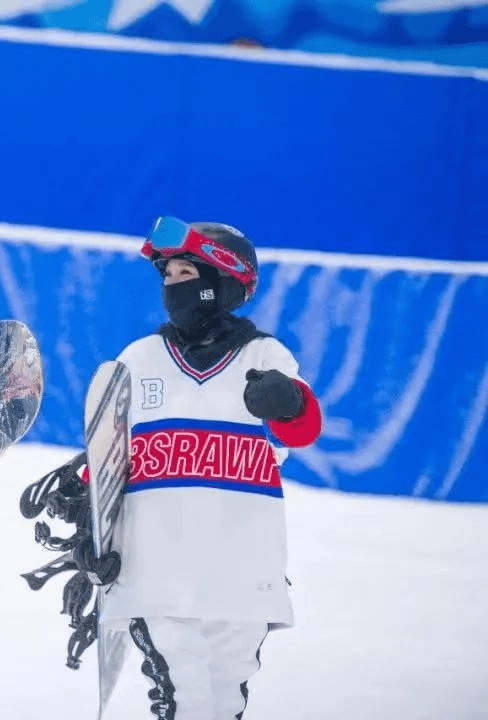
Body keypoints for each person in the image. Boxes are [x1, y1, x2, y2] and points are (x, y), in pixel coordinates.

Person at [93, 215, 323, 719]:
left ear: (222, 282)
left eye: (185, 275)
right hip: (157, 573)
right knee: (186, 699)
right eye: (167, 277)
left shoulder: (265, 355)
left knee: (223, 703)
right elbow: (107, 463)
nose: (172, 287)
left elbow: (301, 432)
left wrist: (287, 403)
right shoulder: (139, 359)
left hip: (241, 576)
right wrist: (86, 510)